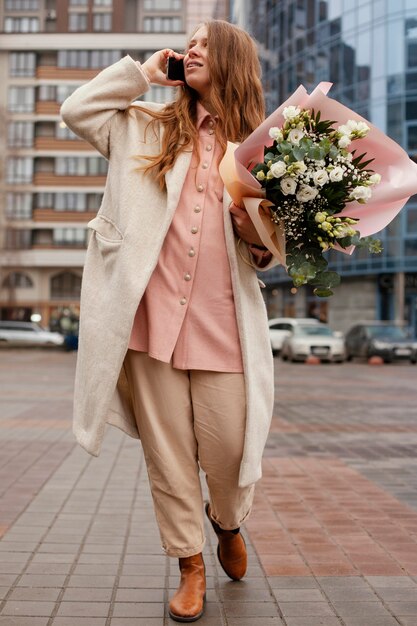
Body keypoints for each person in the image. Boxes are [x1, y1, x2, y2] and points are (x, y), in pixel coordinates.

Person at [61, 19, 277, 623]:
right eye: (191, 44)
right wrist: (142, 73)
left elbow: (270, 247)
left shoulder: (259, 147)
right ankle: (189, 565)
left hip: (222, 324)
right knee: (170, 455)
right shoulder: (143, 124)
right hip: (149, 323)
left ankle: (227, 520)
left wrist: (258, 240)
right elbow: (76, 110)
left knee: (231, 451)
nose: (193, 50)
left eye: (207, 45)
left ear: (233, 61)